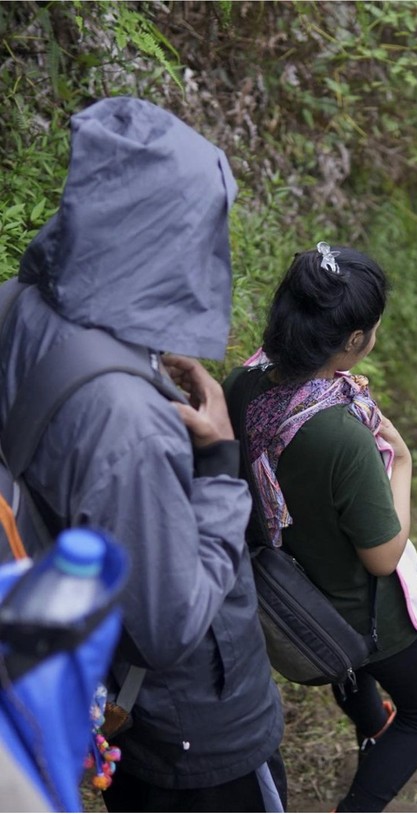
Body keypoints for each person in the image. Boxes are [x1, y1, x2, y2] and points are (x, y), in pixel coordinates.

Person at [0, 97, 285, 812]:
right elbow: (169, 627)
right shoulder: (128, 420)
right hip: (187, 724)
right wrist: (219, 462)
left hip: (94, 675)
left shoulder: (14, 308)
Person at [223, 242, 417, 813]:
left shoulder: (245, 383)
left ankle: (372, 725)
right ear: (353, 341)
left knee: (354, 670)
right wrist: (402, 462)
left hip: (292, 597)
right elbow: (382, 556)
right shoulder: (338, 432)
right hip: (369, 617)